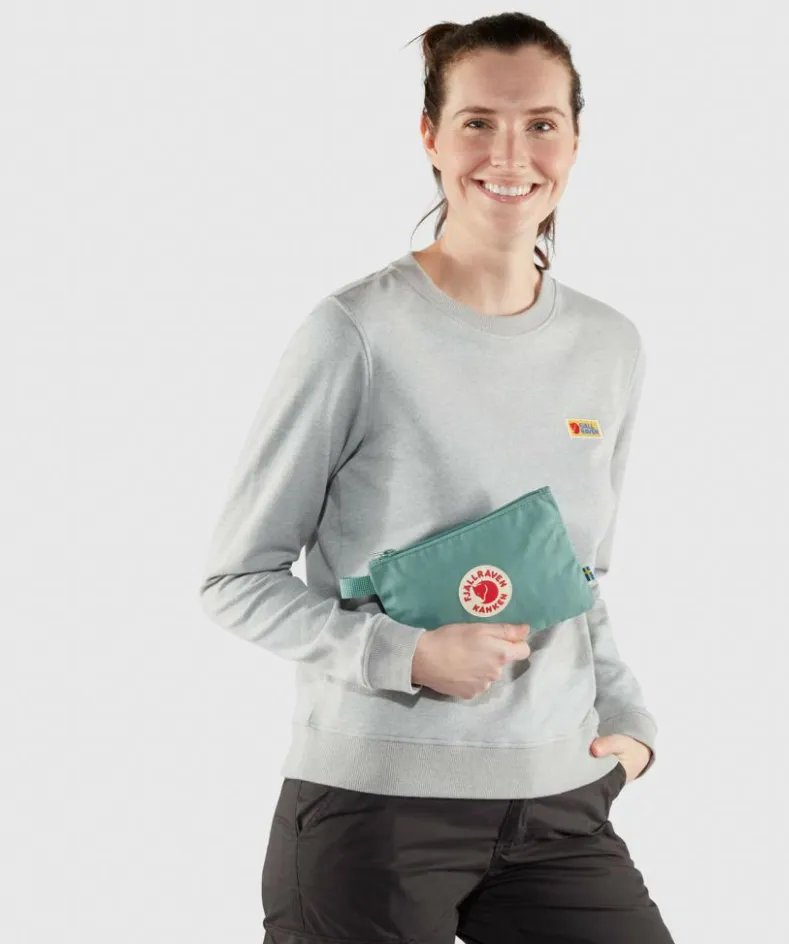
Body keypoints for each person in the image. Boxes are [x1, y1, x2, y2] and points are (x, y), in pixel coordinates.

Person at [198, 12, 675, 944]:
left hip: (561, 808)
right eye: (477, 122)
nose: (510, 153)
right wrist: (406, 656)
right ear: (430, 136)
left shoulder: (609, 345)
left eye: (541, 123)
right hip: (374, 817)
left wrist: (631, 727)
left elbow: (580, 579)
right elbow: (234, 580)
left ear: (576, 138)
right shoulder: (355, 334)